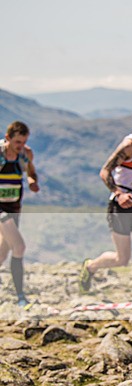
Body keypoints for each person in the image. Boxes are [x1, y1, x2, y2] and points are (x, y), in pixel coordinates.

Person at [79, 108, 132, 302]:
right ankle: (91, 267)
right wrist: (119, 194)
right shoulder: (129, 146)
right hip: (121, 207)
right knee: (122, 259)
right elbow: (105, 172)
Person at [0, 121, 40, 308]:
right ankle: (20, 297)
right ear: (7, 138)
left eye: (24, 142)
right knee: (19, 246)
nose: (20, 146)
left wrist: (32, 181)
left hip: (14, 207)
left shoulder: (26, 154)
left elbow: (31, 172)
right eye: (17, 142)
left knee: (3, 252)